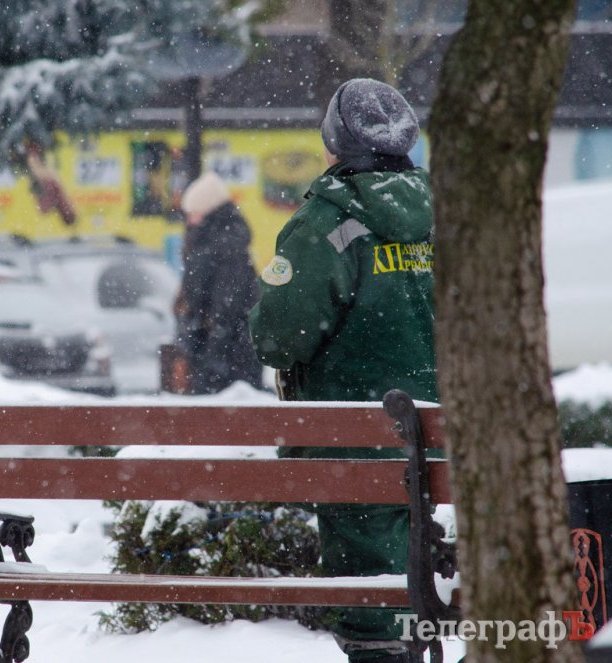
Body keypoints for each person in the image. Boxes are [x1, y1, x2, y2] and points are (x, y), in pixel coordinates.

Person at [249, 78, 435, 663]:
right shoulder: (449, 215)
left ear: (334, 143)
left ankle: (382, 648)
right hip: (446, 450)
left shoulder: (323, 224)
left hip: (357, 448)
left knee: (371, 598)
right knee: (423, 580)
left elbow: (276, 337)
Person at [174, 171, 263, 395]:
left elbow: (225, 308)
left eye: (193, 212)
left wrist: (212, 357)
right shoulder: (217, 240)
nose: (189, 219)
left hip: (224, 353)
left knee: (223, 406)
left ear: (207, 211)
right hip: (221, 347)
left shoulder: (222, 245)